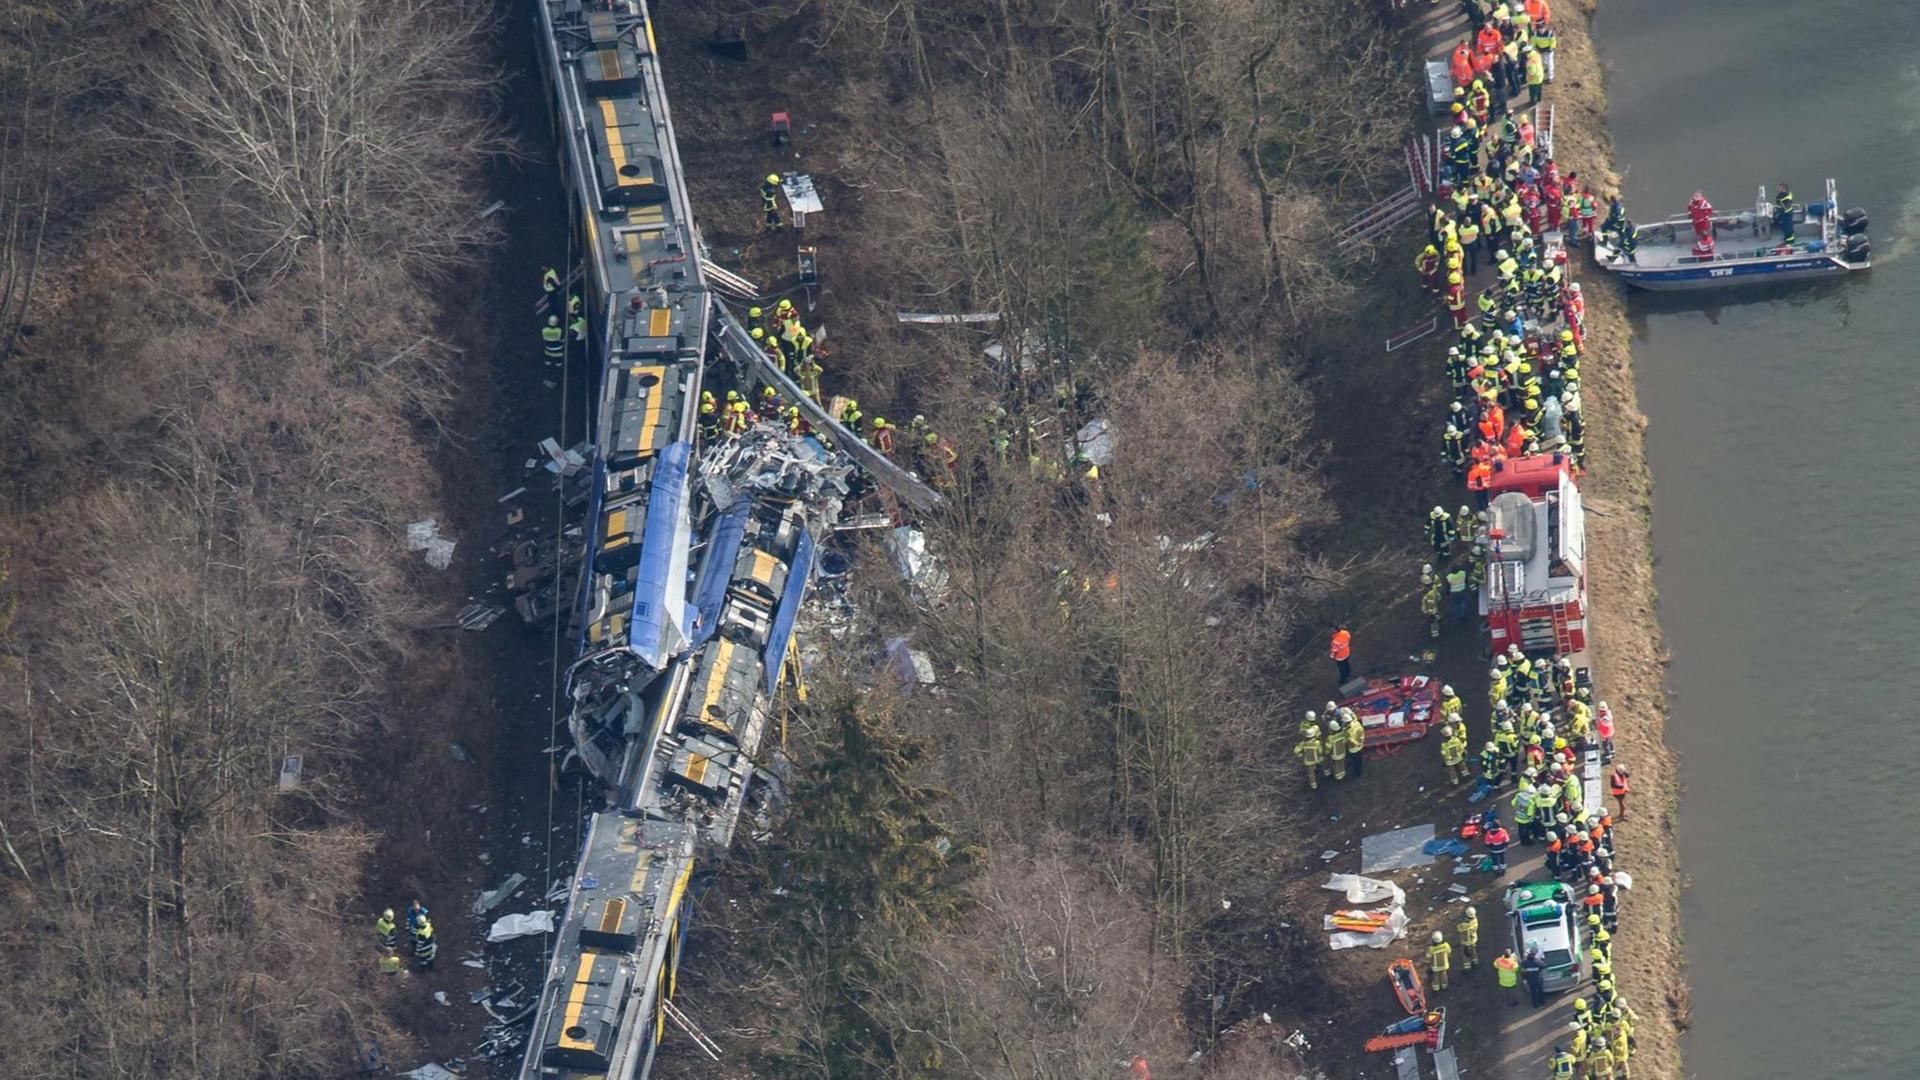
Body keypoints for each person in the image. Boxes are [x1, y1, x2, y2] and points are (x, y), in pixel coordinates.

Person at [1294, 723, 1323, 790]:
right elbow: (1320, 751)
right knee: (1319, 765)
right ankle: (1319, 774)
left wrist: (1300, 755)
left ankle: (1313, 786)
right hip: (1316, 759)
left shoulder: (1303, 744)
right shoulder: (1316, 743)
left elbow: (1296, 750)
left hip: (1308, 761)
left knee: (1311, 773)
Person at [1345, 709, 1368, 779]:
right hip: (1360, 745)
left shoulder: (1348, 730)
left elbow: (1350, 740)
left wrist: (1356, 743)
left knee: (1355, 761)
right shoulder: (1357, 723)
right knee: (1359, 760)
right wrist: (1361, 741)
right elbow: (1362, 731)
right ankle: (1360, 771)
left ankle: (1357, 773)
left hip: (1353, 748)